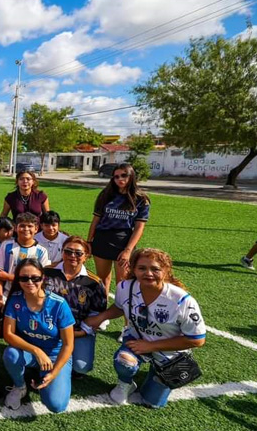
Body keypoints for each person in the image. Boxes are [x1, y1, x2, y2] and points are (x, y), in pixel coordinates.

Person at [85, 248, 206, 408]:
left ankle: (155, 374)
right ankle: (126, 383)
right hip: (136, 340)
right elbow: (120, 307)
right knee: (124, 362)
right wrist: (100, 317)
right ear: (133, 269)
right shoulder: (125, 287)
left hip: (169, 352)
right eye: (142, 268)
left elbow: (197, 340)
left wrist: (151, 346)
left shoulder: (182, 300)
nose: (148, 273)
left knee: (152, 403)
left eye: (155, 269)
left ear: (166, 270)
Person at [3, 259, 75, 413]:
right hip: (30, 353)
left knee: (57, 405)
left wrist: (54, 372)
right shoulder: (15, 300)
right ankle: (20, 386)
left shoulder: (59, 304)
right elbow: (8, 334)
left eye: (35, 278)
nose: (30, 282)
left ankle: (48, 377)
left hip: (54, 356)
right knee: (10, 354)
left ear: (43, 278)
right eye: (24, 278)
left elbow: (68, 344)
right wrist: (36, 351)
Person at [43, 236, 107, 376]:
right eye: (68, 251)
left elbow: (98, 315)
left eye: (78, 253)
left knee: (81, 367)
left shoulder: (94, 282)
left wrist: (82, 332)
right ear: (62, 252)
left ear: (86, 257)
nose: (72, 256)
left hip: (78, 331)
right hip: (47, 328)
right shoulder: (46, 272)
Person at [87, 163, 150, 294]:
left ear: (131, 176)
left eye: (124, 175)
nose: (120, 179)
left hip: (123, 242)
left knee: (123, 283)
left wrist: (128, 250)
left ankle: (126, 313)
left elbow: (139, 228)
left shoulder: (141, 199)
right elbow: (95, 221)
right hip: (102, 239)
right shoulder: (106, 194)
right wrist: (89, 242)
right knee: (102, 279)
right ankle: (103, 311)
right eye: (116, 177)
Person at [0, 213, 51, 319]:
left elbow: (42, 279)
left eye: (30, 226)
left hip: (30, 293)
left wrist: (9, 277)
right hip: (6, 292)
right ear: (16, 228)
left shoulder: (42, 251)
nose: (26, 229)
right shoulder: (6, 245)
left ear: (36, 229)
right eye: (22, 226)